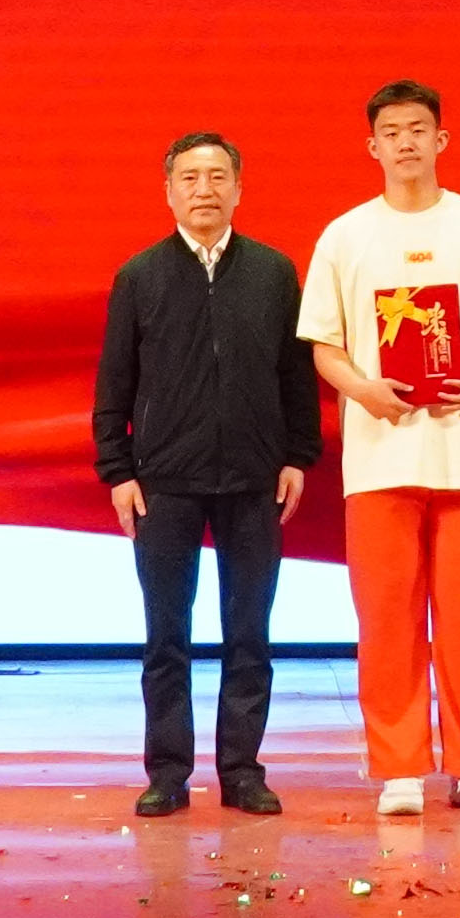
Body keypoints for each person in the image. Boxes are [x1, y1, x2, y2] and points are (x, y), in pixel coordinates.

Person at [297, 79, 460, 818]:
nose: (405, 142)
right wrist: (363, 390)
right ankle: (399, 768)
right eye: (391, 132)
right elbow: (325, 345)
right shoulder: (345, 235)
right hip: (381, 458)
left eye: (417, 129)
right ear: (372, 146)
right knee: (387, 619)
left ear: (440, 140)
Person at [93, 130, 320, 818]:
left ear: (238, 189)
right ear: (168, 191)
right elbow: (114, 381)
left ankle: (242, 771)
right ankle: (167, 772)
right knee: (166, 636)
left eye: (218, 176)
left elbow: (295, 374)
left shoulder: (274, 273)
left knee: (249, 633)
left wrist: (297, 455)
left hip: (254, 479)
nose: (204, 189)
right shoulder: (139, 276)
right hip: (163, 481)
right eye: (189, 177)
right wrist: (118, 469)